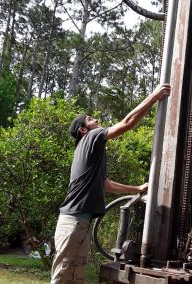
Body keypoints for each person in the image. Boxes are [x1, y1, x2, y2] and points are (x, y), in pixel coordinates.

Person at [50, 83, 171, 284]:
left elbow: (105, 184)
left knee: (74, 276)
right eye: (90, 119)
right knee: (63, 276)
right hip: (74, 222)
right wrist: (154, 96)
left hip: (80, 223)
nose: (96, 119)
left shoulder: (89, 151)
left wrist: (138, 189)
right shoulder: (91, 137)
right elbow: (128, 123)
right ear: (82, 129)